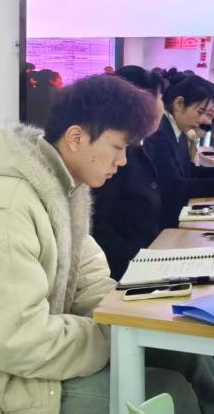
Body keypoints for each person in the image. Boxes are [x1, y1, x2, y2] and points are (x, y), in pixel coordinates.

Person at [0, 75, 214, 414]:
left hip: (32, 358)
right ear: (76, 138)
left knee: (187, 352)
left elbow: (92, 284)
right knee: (170, 391)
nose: (123, 161)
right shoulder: (1, 211)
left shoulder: (62, 191)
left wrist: (141, 320)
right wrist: (116, 335)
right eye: (118, 147)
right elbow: (15, 341)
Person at [91, 66, 168, 281]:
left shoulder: (138, 144)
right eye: (160, 98)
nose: (163, 107)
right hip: (123, 272)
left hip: (145, 259)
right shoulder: (111, 153)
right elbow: (98, 223)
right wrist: (139, 264)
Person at [147, 72, 214, 229]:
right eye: (200, 112)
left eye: (208, 115)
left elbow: (188, 170)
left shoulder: (178, 130)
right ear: (179, 104)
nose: (204, 121)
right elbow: (173, 187)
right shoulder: (160, 135)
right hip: (166, 224)